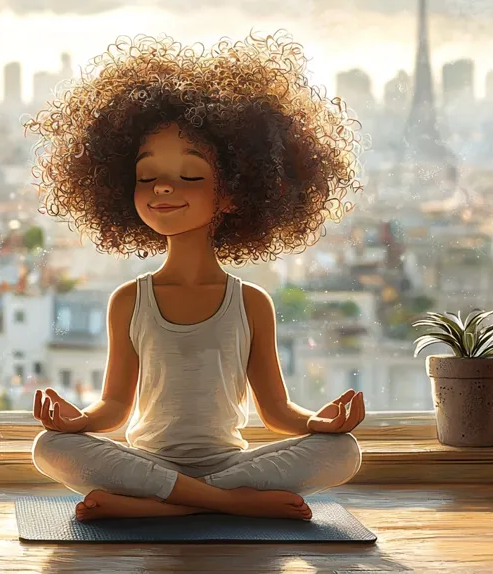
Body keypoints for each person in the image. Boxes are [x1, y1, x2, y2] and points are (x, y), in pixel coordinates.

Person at [23, 32, 367, 522]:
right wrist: (77, 421)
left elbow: (275, 411)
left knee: (343, 452)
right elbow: (116, 407)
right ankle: (222, 503)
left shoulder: (251, 303)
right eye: (147, 177)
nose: (163, 187)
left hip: (230, 461)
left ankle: (163, 505)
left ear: (233, 193)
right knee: (50, 446)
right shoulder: (129, 300)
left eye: (190, 176)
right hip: (148, 460)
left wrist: (320, 423)